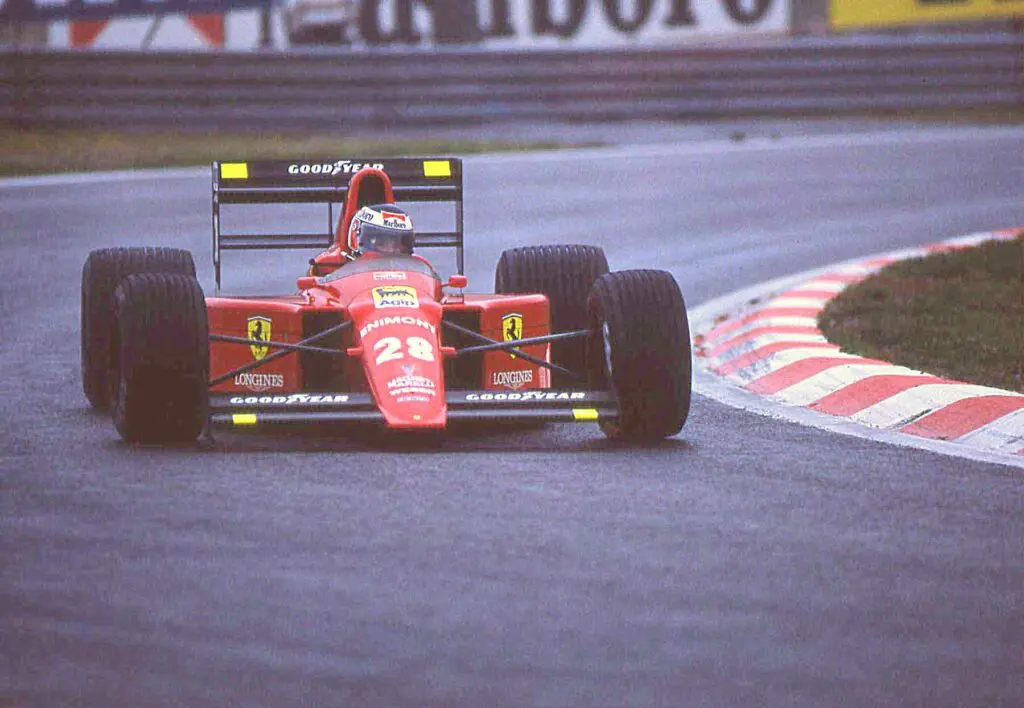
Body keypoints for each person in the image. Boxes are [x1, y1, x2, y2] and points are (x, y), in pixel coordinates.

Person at [347, 203, 415, 256]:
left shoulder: (414, 264)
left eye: (397, 244)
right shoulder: (350, 269)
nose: (392, 250)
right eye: (381, 243)